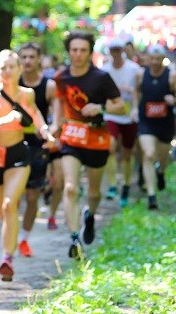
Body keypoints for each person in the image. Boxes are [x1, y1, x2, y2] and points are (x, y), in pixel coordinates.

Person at [52, 30, 125, 259]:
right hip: (71, 135)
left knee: (94, 192)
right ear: (68, 51)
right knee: (70, 187)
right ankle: (74, 238)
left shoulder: (101, 77)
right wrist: (55, 126)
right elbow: (60, 103)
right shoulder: (61, 77)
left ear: (89, 52)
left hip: (96, 138)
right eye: (74, 50)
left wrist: (101, 108)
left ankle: (90, 215)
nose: (78, 54)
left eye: (83, 50)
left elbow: (121, 106)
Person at [0, 50, 54, 280]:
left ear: (19, 69)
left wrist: (45, 132)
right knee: (1, 213)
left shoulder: (27, 94)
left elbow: (35, 115)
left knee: (8, 205)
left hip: (18, 153)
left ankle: (7, 259)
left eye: (11, 67)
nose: (7, 71)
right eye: (2, 67)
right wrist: (5, 120)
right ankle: (12, 240)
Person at [17, 41, 60, 253]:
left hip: (37, 146)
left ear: (39, 59)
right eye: (23, 57)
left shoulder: (48, 86)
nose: (27, 61)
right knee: (12, 196)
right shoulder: (11, 83)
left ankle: (24, 238)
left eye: (31, 57)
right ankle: (10, 235)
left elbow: (57, 117)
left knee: (32, 196)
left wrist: (48, 130)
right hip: (12, 144)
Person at [136, 45, 176, 210]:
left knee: (163, 156)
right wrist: (135, 108)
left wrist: (175, 100)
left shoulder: (171, 76)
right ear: (148, 59)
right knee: (149, 154)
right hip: (146, 121)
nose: (155, 62)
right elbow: (136, 91)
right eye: (152, 59)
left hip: (165, 122)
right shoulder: (141, 74)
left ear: (163, 59)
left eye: (158, 59)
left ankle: (161, 172)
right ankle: (151, 195)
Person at [101, 38, 142, 208]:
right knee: (110, 146)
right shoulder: (104, 71)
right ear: (109, 52)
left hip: (128, 114)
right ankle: (112, 184)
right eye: (113, 50)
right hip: (111, 114)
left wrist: (135, 106)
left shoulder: (134, 69)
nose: (116, 53)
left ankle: (125, 184)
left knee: (127, 152)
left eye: (119, 50)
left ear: (123, 51)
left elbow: (140, 90)